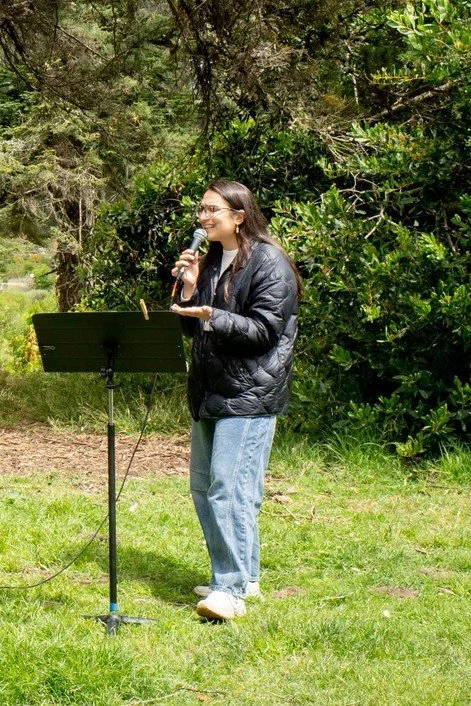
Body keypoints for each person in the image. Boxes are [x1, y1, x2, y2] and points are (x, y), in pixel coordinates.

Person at [170, 180, 301, 621]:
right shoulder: (209, 263)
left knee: (230, 488)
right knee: (205, 488)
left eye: (213, 210)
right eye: (201, 211)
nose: (204, 218)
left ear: (239, 216)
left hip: (250, 393)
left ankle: (231, 589)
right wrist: (190, 292)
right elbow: (195, 328)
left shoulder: (270, 262)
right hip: (209, 390)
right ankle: (241, 576)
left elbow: (265, 330)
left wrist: (214, 315)